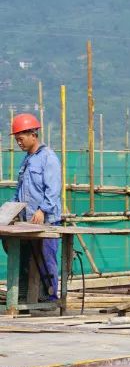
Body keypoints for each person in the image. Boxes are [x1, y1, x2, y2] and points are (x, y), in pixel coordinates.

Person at [11, 113, 61, 300]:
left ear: (33, 134)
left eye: (21, 139)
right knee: (26, 260)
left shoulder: (48, 158)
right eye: (17, 140)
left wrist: (42, 210)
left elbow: (53, 189)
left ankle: (50, 299)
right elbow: (20, 190)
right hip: (28, 223)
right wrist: (13, 210)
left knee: (46, 261)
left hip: (46, 222)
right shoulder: (27, 160)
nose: (19, 143)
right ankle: (27, 297)